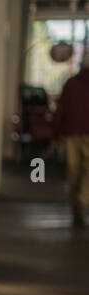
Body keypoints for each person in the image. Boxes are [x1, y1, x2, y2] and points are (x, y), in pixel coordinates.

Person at [54, 52, 89, 228]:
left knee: (73, 170)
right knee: (84, 170)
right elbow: (61, 109)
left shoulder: (71, 84)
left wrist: (55, 134)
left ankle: (78, 202)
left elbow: (60, 109)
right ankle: (81, 201)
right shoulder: (71, 84)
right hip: (76, 132)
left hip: (71, 132)